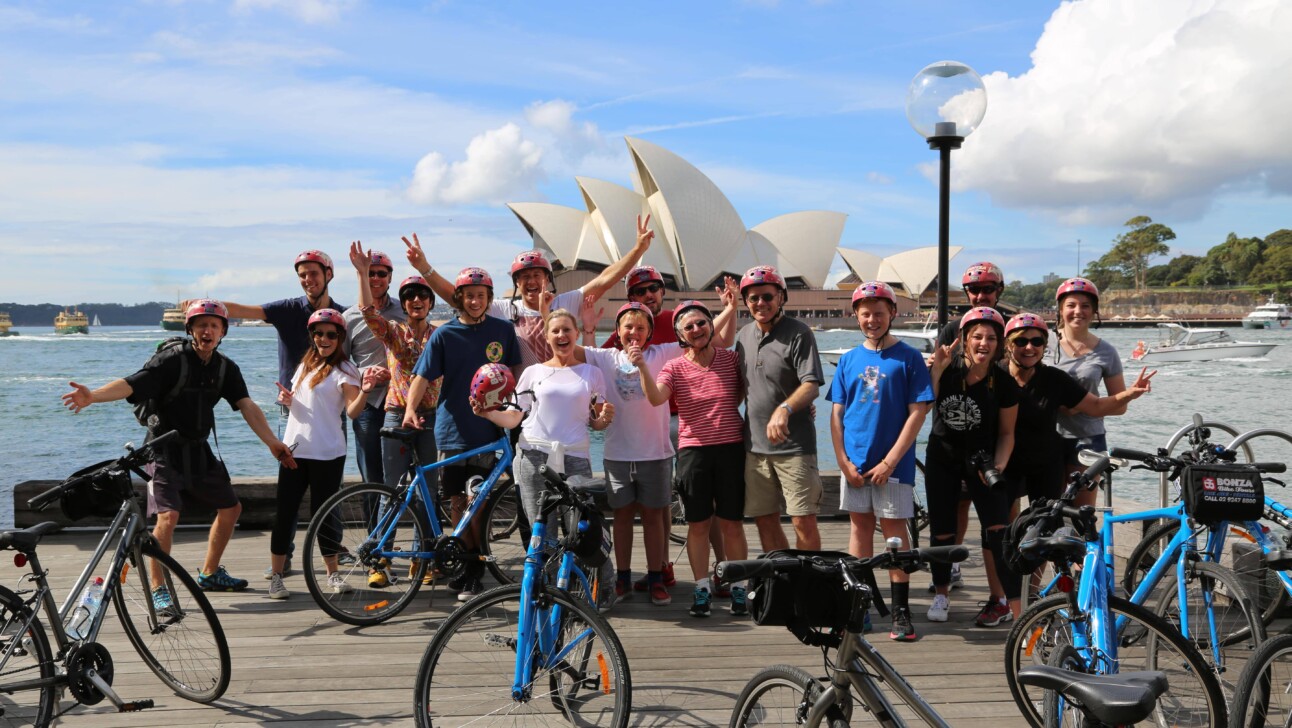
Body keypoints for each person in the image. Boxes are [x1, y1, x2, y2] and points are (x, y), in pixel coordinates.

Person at [60, 300, 296, 602]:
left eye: (214, 325)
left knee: (231, 508)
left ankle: (210, 573)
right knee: (168, 517)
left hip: (199, 450)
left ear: (223, 331)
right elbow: (132, 384)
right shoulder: (172, 360)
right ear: (190, 329)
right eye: (201, 325)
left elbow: (246, 405)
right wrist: (93, 396)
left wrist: (272, 442)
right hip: (162, 451)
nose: (208, 331)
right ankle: (159, 589)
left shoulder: (225, 368)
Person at [581, 286, 739, 607]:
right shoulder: (607, 357)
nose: (634, 333)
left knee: (654, 518)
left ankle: (656, 576)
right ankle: (623, 576)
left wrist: (730, 309)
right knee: (622, 518)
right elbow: (571, 349)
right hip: (617, 454)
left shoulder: (663, 354)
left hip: (655, 453)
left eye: (641, 327)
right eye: (628, 327)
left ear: (651, 332)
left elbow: (699, 334)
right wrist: (585, 326)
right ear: (617, 332)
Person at [403, 267, 521, 600]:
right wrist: (410, 409)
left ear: (489, 298)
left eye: (481, 296)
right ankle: (466, 565)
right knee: (457, 500)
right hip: (451, 429)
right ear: (459, 298)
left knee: (477, 501)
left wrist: (521, 407)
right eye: (469, 296)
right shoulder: (444, 334)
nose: (474, 301)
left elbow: (516, 373)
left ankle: (475, 569)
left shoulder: (503, 330)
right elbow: (422, 377)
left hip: (488, 429)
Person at [402, 215, 655, 369]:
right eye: (524, 277)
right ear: (517, 283)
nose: (531, 281)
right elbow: (459, 298)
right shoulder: (504, 310)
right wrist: (424, 268)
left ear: (548, 279)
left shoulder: (564, 304)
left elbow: (605, 279)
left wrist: (637, 250)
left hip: (560, 391)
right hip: (522, 400)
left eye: (537, 275)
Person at [828, 282, 933, 641]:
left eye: (879, 313)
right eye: (865, 314)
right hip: (855, 462)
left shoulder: (909, 357)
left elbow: (917, 413)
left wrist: (890, 461)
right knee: (859, 530)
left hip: (893, 465)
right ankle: (860, 607)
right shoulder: (848, 359)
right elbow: (837, 414)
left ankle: (901, 611)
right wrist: (842, 461)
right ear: (855, 316)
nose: (872, 320)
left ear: (893, 314)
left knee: (895, 535)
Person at [635, 299, 748, 619]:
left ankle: (738, 587)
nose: (697, 329)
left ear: (711, 326)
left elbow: (745, 391)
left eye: (702, 323)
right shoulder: (674, 367)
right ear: (680, 335)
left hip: (731, 448)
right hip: (693, 452)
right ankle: (702, 589)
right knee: (698, 525)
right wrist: (642, 367)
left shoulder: (731, 359)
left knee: (732, 524)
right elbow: (656, 398)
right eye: (689, 326)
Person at [351, 242, 441, 587]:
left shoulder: (441, 336)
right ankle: (380, 558)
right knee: (390, 488)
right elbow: (367, 312)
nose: (417, 300)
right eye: (410, 297)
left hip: (430, 417)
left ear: (430, 302)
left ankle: (423, 558)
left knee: (428, 491)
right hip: (395, 414)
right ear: (403, 305)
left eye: (423, 296)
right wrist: (363, 274)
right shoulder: (394, 331)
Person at [925, 307, 1020, 625]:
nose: (984, 343)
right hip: (943, 455)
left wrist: (999, 465)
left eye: (991, 338)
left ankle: (1008, 602)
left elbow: (1007, 434)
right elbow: (924, 407)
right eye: (977, 337)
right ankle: (941, 594)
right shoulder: (946, 369)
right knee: (942, 530)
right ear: (964, 339)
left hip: (983, 458)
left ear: (1000, 343)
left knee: (997, 530)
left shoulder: (1003, 381)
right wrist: (937, 370)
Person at [1003, 312, 1155, 505]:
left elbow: (1096, 406)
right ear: (1008, 345)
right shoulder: (997, 376)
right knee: (1001, 519)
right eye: (1021, 341)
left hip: (1044, 465)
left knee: (1046, 518)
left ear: (1044, 346)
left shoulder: (1054, 378)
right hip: (1006, 461)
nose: (1029, 347)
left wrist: (1130, 394)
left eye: (1037, 341)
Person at [266, 310, 366, 600]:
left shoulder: (346, 370)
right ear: (312, 336)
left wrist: (366, 390)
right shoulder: (305, 365)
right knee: (285, 514)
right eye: (318, 333)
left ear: (340, 338)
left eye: (331, 335)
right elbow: (303, 405)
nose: (324, 339)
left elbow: (352, 411)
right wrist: (287, 400)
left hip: (328, 454)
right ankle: (276, 577)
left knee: (324, 516)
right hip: (295, 451)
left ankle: (332, 574)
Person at [929, 261, 1008, 594]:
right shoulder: (952, 329)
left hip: (994, 433)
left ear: (999, 290)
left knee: (1002, 513)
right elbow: (938, 375)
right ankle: (953, 565)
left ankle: (1004, 591)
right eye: (974, 290)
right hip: (954, 434)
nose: (980, 295)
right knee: (956, 506)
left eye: (987, 289)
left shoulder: (1009, 325)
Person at [735, 265, 825, 552]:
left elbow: (811, 385)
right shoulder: (743, 336)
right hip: (755, 449)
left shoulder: (799, 333)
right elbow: (742, 387)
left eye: (767, 296)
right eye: (753, 298)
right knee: (765, 520)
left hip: (794, 448)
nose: (761, 303)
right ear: (746, 302)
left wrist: (784, 409)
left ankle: (808, 577)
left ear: (781, 297)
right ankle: (782, 573)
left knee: (803, 521)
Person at [201, 250, 347, 390]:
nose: (308, 279)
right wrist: (198, 305)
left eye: (313, 273)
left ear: (328, 274)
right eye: (302, 275)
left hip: (334, 399)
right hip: (291, 399)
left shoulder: (344, 315)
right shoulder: (287, 309)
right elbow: (242, 310)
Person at [1051, 278, 1128, 508]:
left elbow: (1120, 406)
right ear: (1060, 309)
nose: (1078, 311)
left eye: (1085, 306)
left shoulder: (1107, 351)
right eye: (1071, 305)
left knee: (1082, 512)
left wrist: (1081, 406)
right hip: (1047, 437)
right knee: (1046, 510)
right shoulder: (1041, 342)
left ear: (1095, 311)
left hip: (1088, 438)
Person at [342, 248, 404, 492]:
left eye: (381, 273)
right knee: (371, 474)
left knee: (404, 472)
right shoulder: (348, 317)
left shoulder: (404, 310)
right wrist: (365, 375)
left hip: (401, 400)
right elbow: (342, 363)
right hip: (368, 402)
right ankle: (373, 519)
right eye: (370, 273)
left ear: (390, 278)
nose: (376, 278)